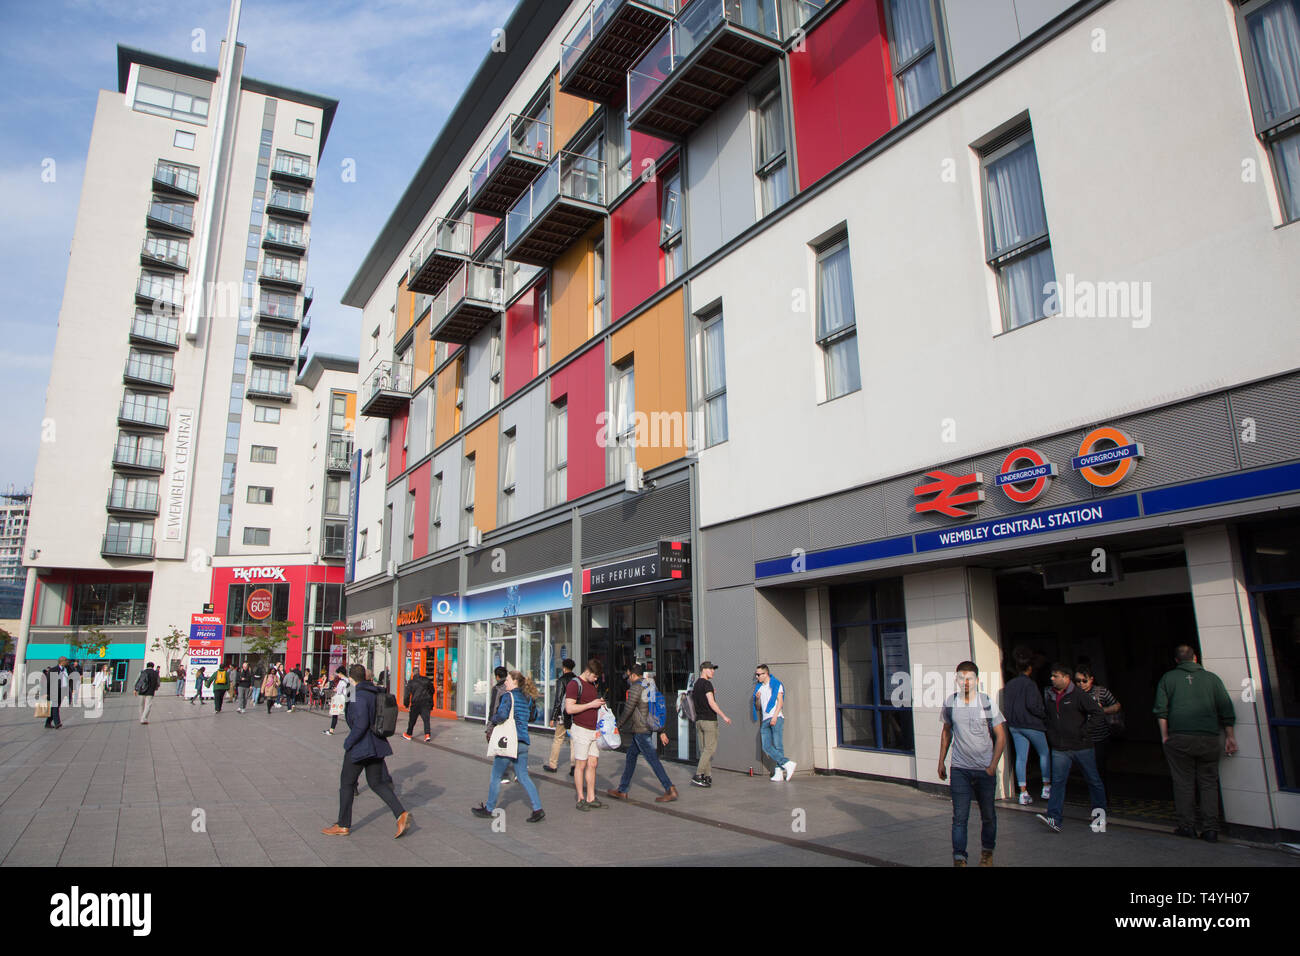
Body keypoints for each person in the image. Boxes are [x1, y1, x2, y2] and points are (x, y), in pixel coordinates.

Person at [1153, 645, 1237, 842]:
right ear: (1196, 658)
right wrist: (1230, 736)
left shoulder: (1168, 679)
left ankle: (1187, 826)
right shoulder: (1212, 679)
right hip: (1208, 737)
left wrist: (1165, 736)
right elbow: (1226, 708)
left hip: (1180, 737)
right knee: (1208, 783)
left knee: (1183, 782)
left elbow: (1161, 710)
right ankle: (1210, 829)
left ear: (1176, 660)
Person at [322, 664, 412, 838]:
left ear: (352, 678)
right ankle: (400, 813)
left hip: (361, 746)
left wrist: (349, 742)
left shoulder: (357, 695)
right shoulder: (375, 691)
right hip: (377, 744)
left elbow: (360, 723)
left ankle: (343, 824)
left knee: (347, 784)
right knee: (377, 783)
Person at [938, 662, 1007, 866]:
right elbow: (946, 732)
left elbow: (1001, 736)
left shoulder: (987, 703)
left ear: (977, 680)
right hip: (960, 769)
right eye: (961, 678)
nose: (965, 682)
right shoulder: (951, 703)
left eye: (969, 678)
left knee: (988, 816)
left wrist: (993, 765)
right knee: (959, 817)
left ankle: (987, 852)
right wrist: (941, 760)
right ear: (956, 680)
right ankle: (959, 858)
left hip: (984, 769)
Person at [1036, 663, 1108, 833]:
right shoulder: (1050, 695)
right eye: (1051, 676)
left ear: (1066, 678)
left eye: (1056, 676)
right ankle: (1054, 818)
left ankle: (1100, 817)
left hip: (1082, 746)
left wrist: (1085, 731)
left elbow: (1098, 713)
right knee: (1058, 782)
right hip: (1060, 748)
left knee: (1093, 780)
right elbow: (1047, 717)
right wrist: (1051, 734)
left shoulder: (1078, 695)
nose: (1052, 679)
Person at [472, 670, 545, 824]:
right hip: (523, 741)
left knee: (496, 776)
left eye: (508, 680)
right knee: (523, 776)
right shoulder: (527, 698)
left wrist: (494, 719)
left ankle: (489, 809)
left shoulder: (508, 696)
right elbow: (533, 716)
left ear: (514, 682)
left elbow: (502, 715)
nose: (505, 683)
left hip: (509, 741)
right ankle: (537, 809)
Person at [606, 663, 678, 803]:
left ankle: (670, 788)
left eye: (629, 675)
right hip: (647, 727)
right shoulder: (648, 685)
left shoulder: (635, 687)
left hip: (641, 729)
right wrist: (660, 730)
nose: (628, 678)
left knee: (652, 760)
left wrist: (618, 725)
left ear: (633, 675)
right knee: (631, 757)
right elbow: (653, 709)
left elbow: (628, 709)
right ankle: (622, 789)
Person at [1003, 647, 1051, 805]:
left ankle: (1023, 793)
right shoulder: (1030, 684)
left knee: (1021, 757)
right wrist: (1044, 715)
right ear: (1030, 668)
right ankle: (1046, 787)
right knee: (1044, 753)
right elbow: (1033, 705)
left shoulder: (1009, 684)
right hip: (1032, 724)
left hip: (1015, 725)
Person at [565, 658, 607, 811]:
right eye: (595, 676)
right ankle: (580, 798)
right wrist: (591, 705)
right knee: (580, 764)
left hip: (593, 729)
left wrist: (598, 704)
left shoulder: (592, 684)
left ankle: (591, 796)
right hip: (581, 729)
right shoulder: (574, 684)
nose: (596, 679)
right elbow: (569, 708)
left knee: (593, 763)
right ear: (588, 672)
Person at [1075, 665, 1121, 792]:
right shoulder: (1074, 694)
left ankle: (1101, 797)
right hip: (1082, 738)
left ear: (1091, 679)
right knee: (1086, 769)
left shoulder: (1101, 691)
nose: (1081, 684)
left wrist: (1102, 710)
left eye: (1084, 681)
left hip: (1100, 737)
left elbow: (1116, 706)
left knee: (1100, 769)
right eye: (1078, 681)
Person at [690, 661, 731, 788]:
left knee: (704, 750)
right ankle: (698, 774)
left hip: (699, 721)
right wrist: (724, 716)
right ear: (704, 670)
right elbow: (711, 703)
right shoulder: (707, 684)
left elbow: (700, 700)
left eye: (713, 669)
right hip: (709, 720)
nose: (713, 671)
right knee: (710, 749)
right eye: (711, 669)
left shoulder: (696, 684)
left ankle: (707, 776)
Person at [753, 664, 795, 781]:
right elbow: (758, 707)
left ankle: (779, 772)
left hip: (776, 717)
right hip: (765, 718)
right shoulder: (759, 688)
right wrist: (757, 699)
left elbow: (780, 702)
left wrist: (775, 717)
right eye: (756, 675)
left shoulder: (776, 684)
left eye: (758, 674)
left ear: (765, 674)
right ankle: (786, 764)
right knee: (766, 746)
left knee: (777, 745)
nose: (757, 677)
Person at [543, 658, 579, 773]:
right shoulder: (577, 680)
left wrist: (553, 717)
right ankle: (574, 765)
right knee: (574, 740)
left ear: (564, 668)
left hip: (563, 715)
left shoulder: (561, 680)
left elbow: (558, 700)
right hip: (575, 713)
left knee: (558, 739)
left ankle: (553, 764)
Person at [486, 666, 516, 783]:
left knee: (499, 747)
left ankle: (503, 774)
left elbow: (494, 707)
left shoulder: (498, 688)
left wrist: (490, 723)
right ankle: (518, 773)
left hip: (501, 721)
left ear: (497, 676)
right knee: (513, 745)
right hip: (513, 722)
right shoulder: (514, 688)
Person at [42, 657, 77, 729]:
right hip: (54, 691)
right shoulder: (53, 670)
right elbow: (48, 682)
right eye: (66, 660)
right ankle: (57, 723)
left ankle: (48, 723)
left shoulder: (68, 669)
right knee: (55, 707)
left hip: (63, 690)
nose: (67, 662)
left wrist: (72, 689)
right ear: (61, 662)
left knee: (56, 707)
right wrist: (46, 692)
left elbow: (71, 679)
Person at [402, 668, 435, 741]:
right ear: (419, 672)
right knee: (426, 720)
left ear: (413, 673)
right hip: (425, 703)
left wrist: (406, 704)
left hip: (416, 703)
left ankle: (409, 734)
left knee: (412, 720)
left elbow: (407, 695)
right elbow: (432, 690)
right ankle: (427, 735)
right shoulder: (426, 680)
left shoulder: (411, 682)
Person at [324, 666, 348, 735]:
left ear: (340, 673)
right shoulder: (348, 680)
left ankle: (331, 730)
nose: (338, 675)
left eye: (338, 673)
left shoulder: (342, 681)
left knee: (335, 713)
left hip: (341, 700)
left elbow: (339, 691)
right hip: (348, 699)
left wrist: (335, 689)